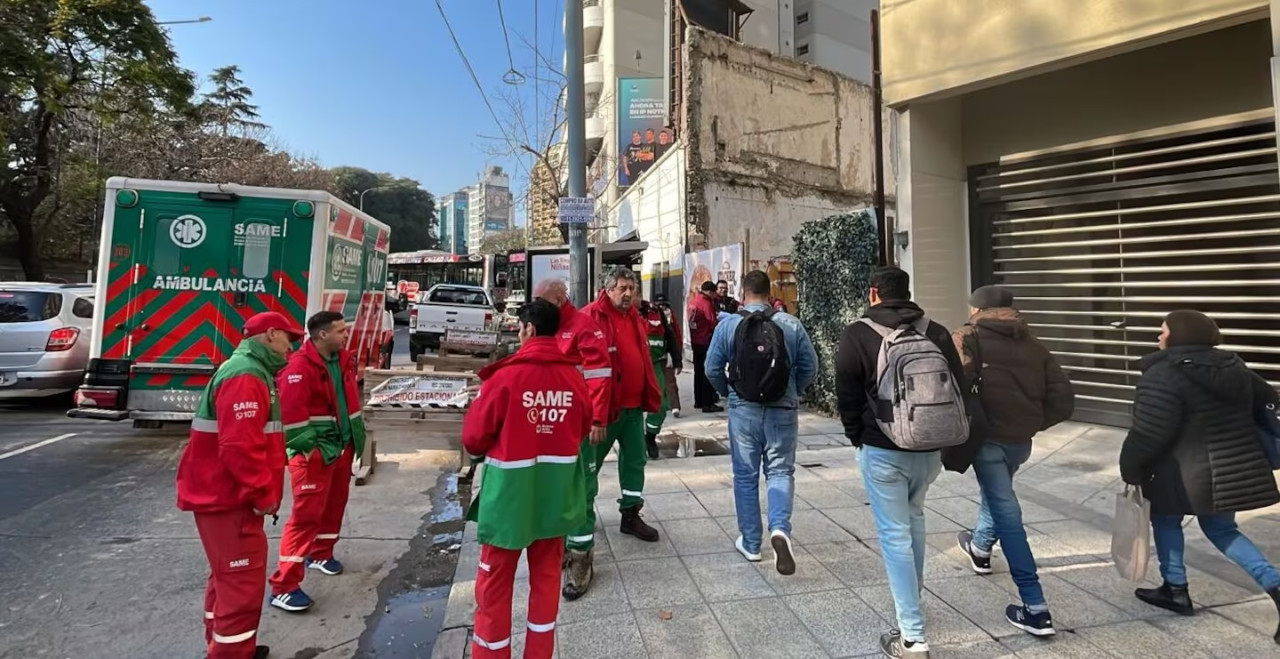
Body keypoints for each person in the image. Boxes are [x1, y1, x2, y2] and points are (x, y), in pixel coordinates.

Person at [1119, 310, 1280, 642]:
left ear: (1178, 337)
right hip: (1233, 465)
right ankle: (1274, 583)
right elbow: (1269, 403)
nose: (1158, 338)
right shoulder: (1234, 367)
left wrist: (1130, 467)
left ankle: (1176, 589)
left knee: (1165, 521)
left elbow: (1150, 432)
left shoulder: (1162, 373)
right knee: (1222, 529)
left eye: (1162, 332)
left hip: (1178, 469)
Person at [834, 265, 965, 658]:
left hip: (883, 448)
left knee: (895, 536)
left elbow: (847, 393)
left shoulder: (858, 333)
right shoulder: (936, 331)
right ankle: (914, 603)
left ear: (874, 293)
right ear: (906, 293)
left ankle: (912, 636)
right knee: (916, 520)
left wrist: (857, 435)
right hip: (929, 449)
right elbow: (958, 386)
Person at [462, 299, 593, 658]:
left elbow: (473, 439)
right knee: (547, 583)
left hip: (508, 502)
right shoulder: (574, 378)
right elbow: (581, 427)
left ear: (529, 329)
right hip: (555, 500)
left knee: (494, 587)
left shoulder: (505, 377)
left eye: (519, 328)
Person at [950, 285, 1074, 637]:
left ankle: (1035, 608)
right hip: (1020, 442)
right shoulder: (1034, 344)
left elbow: (954, 388)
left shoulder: (967, 338)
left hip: (987, 440)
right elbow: (1064, 401)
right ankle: (980, 549)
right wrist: (1031, 423)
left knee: (1007, 512)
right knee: (998, 493)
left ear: (976, 309)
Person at [176, 311, 300, 659]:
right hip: (230, 500)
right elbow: (240, 448)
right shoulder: (246, 375)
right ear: (272, 334)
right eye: (288, 339)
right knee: (240, 584)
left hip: (222, 497)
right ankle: (231, 653)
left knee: (226, 578)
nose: (291, 348)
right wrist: (261, 494)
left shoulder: (249, 370)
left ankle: (222, 645)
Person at [705, 270, 817, 574]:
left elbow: (711, 368)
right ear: (770, 292)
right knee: (780, 470)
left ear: (743, 292)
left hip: (744, 410)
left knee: (745, 475)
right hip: (782, 409)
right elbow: (811, 367)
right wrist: (793, 391)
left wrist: (728, 393)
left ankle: (752, 544)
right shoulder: (790, 324)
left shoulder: (728, 325)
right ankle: (780, 529)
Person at [562, 268, 664, 600]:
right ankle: (579, 551)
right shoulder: (588, 318)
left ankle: (630, 515)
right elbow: (581, 372)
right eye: (622, 288)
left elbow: (643, 360)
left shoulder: (635, 316)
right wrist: (594, 416)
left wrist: (652, 397)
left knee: (635, 465)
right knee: (585, 480)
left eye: (632, 288)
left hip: (632, 412)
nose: (628, 293)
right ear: (607, 290)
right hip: (599, 418)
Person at [269, 311, 367, 613]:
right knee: (305, 516)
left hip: (339, 448)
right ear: (322, 335)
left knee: (335, 504)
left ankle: (321, 553)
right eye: (340, 330)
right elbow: (292, 417)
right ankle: (284, 586)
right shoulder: (299, 367)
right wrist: (308, 450)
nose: (345, 334)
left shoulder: (342, 360)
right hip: (314, 454)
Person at [530, 278, 615, 601]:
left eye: (542, 299)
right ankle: (564, 545)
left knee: (580, 490)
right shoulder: (542, 325)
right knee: (555, 488)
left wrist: (597, 419)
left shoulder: (583, 327)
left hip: (577, 425)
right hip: (549, 423)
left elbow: (599, 375)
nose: (537, 304)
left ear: (559, 297)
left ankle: (582, 559)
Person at [639, 296, 682, 459]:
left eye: (632, 289)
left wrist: (677, 359)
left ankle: (650, 436)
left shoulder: (655, 311)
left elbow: (669, 335)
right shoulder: (618, 314)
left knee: (660, 405)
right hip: (630, 366)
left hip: (655, 364)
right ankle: (633, 443)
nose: (628, 294)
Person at [689, 280, 722, 413]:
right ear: (710, 292)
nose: (715, 296)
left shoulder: (694, 300)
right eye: (715, 293)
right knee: (707, 372)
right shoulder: (706, 303)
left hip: (695, 340)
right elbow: (712, 322)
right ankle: (707, 404)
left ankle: (699, 401)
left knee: (698, 372)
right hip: (705, 341)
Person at [654, 295, 683, 420]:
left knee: (670, 382)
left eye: (665, 306)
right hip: (651, 356)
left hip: (666, 355)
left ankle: (674, 406)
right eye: (660, 306)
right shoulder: (648, 317)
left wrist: (677, 359)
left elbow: (674, 337)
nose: (663, 308)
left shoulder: (670, 319)